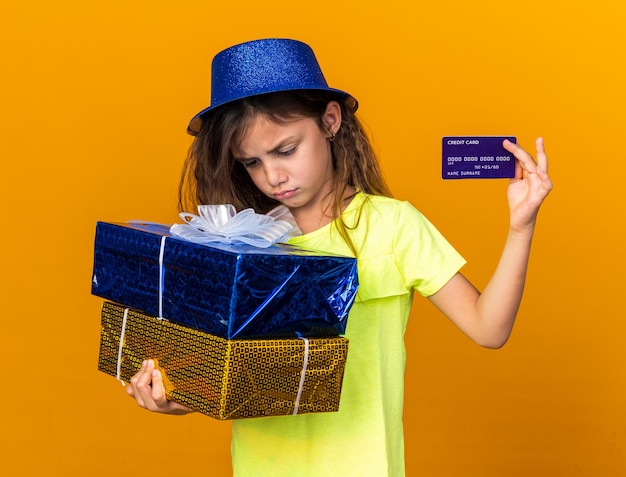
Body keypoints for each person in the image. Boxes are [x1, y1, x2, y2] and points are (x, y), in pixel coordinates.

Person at [126, 38, 553, 476]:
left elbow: (489, 327)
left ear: (330, 121)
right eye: (251, 162)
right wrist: (172, 397)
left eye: (286, 150)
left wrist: (521, 227)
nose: (273, 176)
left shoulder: (392, 226)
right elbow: (222, 376)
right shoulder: (242, 242)